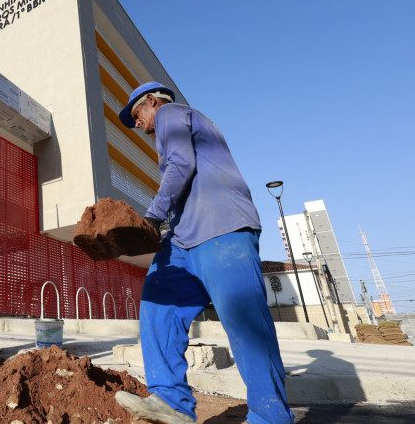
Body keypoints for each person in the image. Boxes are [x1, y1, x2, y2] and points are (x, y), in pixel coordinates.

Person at [113, 82, 294, 424]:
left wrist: (152, 216)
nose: (137, 124)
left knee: (245, 323)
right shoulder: (168, 129)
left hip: (222, 227)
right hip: (184, 238)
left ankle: (271, 416)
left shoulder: (171, 114)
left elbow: (182, 164)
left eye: (136, 115)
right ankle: (171, 402)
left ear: (152, 102)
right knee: (158, 301)